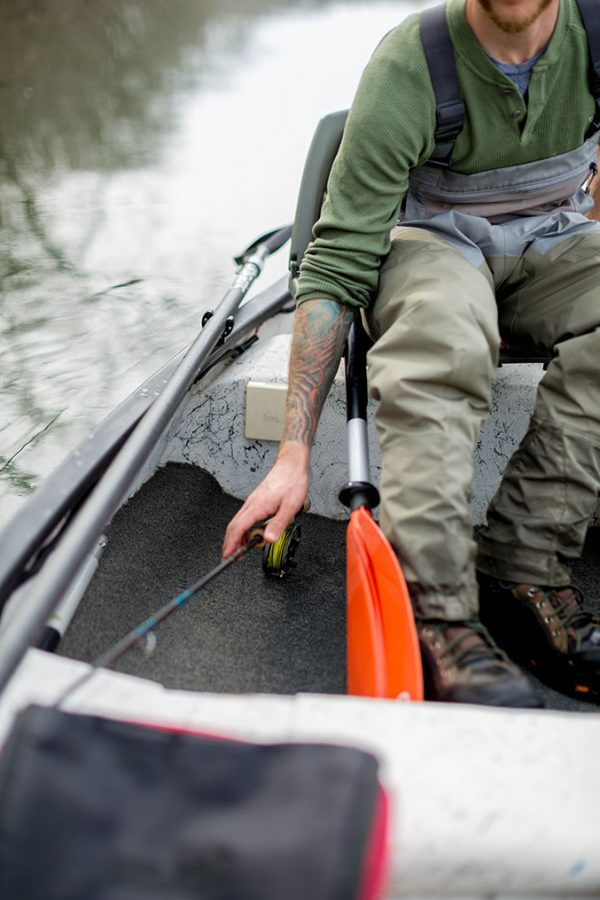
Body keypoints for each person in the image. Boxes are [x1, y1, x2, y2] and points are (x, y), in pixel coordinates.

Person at [223, 0, 600, 707]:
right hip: (436, 247)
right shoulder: (409, 62)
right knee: (445, 338)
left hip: (556, 241)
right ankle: (440, 615)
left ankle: (525, 570)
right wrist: (293, 455)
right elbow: (335, 267)